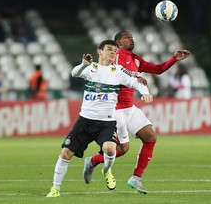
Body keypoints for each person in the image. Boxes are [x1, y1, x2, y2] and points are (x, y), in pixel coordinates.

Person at [83, 30, 191, 194]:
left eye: (132, 37)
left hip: (130, 108)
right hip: (115, 109)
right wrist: (134, 79)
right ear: (119, 42)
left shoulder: (135, 59)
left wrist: (173, 59)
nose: (131, 39)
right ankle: (92, 161)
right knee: (122, 149)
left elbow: (157, 69)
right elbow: (111, 74)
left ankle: (136, 178)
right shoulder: (117, 55)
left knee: (150, 137)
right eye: (127, 37)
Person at [46, 40, 153, 198]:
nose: (113, 52)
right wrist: (83, 64)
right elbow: (74, 73)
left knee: (110, 149)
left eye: (115, 51)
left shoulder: (118, 71)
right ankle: (55, 189)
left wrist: (145, 91)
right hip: (85, 120)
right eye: (109, 49)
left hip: (106, 122)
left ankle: (106, 170)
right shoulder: (90, 68)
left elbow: (134, 82)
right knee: (66, 153)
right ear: (100, 51)